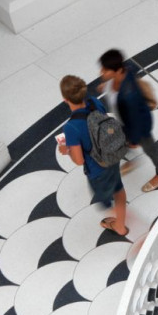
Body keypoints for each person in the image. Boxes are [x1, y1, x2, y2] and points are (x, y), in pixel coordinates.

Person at [58, 75, 128, 235]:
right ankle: (121, 225)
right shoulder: (94, 102)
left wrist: (66, 150)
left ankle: (118, 225)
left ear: (65, 100)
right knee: (118, 188)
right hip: (113, 154)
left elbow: (79, 160)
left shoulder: (71, 127)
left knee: (103, 198)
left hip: (98, 168)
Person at [99, 49, 158, 193]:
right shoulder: (123, 73)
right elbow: (131, 68)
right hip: (124, 122)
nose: (101, 72)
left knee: (151, 150)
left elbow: (137, 120)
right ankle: (130, 159)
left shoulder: (129, 95)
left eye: (105, 70)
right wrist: (107, 86)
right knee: (121, 140)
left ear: (118, 70)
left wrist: (134, 138)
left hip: (139, 127)